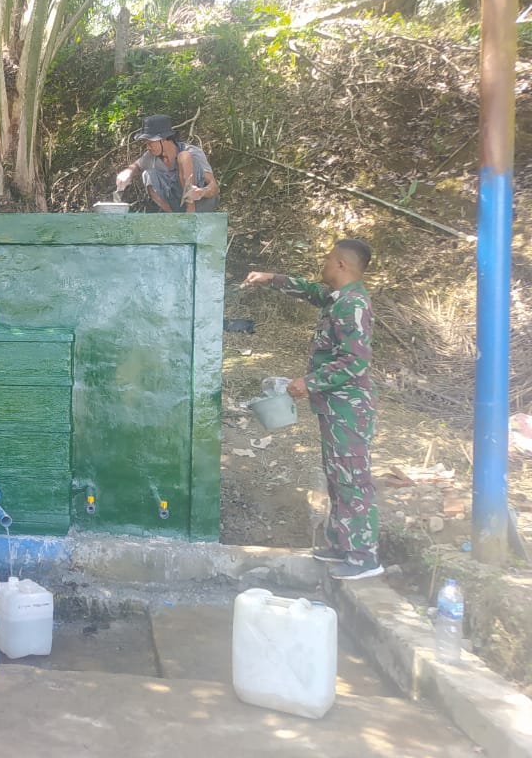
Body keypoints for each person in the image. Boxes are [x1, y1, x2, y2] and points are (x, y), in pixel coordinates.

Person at [243, 239, 382, 580]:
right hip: (335, 408)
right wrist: (270, 278)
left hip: (349, 409)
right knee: (337, 477)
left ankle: (364, 557)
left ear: (341, 265)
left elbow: (355, 361)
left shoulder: (352, 305)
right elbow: (309, 290)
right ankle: (341, 544)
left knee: (352, 480)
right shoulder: (337, 298)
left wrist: (310, 382)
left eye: (328, 258)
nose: (324, 263)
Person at [115, 114, 220, 213]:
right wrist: (127, 173)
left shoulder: (193, 152)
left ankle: (190, 212)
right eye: (146, 144)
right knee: (147, 175)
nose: (148, 147)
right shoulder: (151, 156)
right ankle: (172, 217)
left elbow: (214, 188)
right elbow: (137, 166)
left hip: (200, 204)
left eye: (150, 143)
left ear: (164, 139)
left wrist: (201, 192)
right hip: (177, 207)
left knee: (184, 156)